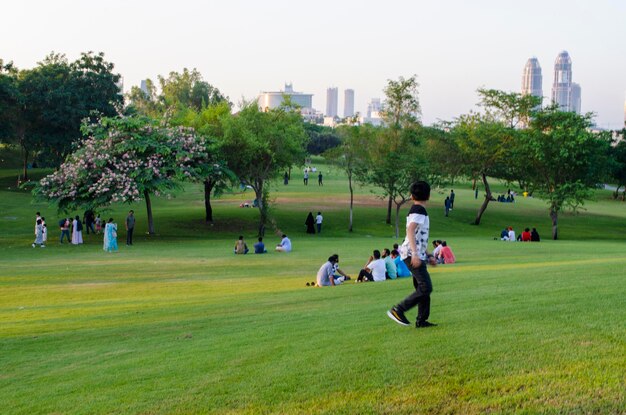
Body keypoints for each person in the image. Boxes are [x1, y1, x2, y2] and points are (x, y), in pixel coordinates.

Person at [387, 181, 437, 328]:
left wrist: (428, 254)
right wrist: (415, 254)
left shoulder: (416, 210)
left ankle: (421, 321)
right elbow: (410, 231)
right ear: (428, 195)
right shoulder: (419, 211)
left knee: (422, 289)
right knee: (425, 287)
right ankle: (398, 310)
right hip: (411, 254)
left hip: (414, 253)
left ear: (411, 195)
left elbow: (417, 235)